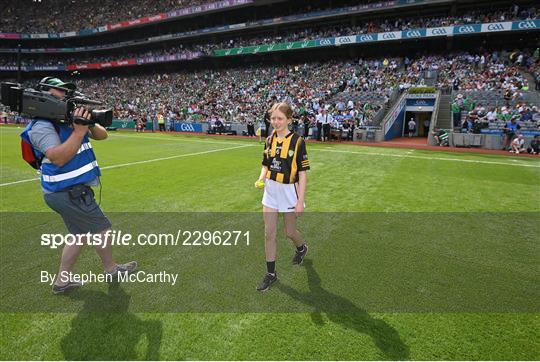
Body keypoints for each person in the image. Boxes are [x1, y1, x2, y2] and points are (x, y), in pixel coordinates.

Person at [21, 77, 137, 294]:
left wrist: (90, 122)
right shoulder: (41, 126)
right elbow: (58, 158)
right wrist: (78, 131)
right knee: (102, 229)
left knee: (79, 235)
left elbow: (103, 136)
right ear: (43, 93)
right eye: (60, 91)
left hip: (69, 190)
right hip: (67, 191)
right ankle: (111, 270)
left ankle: (62, 281)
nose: (65, 95)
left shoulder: (68, 119)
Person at [254, 102, 310, 292]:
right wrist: (261, 178)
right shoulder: (269, 140)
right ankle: (271, 274)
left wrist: (300, 201)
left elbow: (302, 173)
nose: (276, 122)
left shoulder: (297, 141)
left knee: (289, 232)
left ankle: (301, 247)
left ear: (289, 120)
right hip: (270, 192)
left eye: (280, 118)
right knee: (269, 234)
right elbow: (265, 165)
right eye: (273, 118)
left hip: (288, 193)